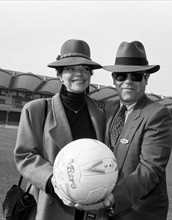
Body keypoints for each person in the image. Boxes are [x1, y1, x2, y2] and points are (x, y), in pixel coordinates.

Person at [75, 41, 172, 220]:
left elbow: (150, 169)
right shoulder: (107, 108)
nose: (127, 81)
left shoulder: (157, 114)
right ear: (114, 79)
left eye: (135, 76)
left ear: (146, 78)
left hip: (138, 214)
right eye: (121, 76)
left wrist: (112, 199)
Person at [14, 39, 106, 220]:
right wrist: (53, 181)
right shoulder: (36, 110)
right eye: (70, 68)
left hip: (89, 207)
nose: (79, 74)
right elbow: (25, 156)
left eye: (85, 68)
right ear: (59, 75)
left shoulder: (100, 115)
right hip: (51, 202)